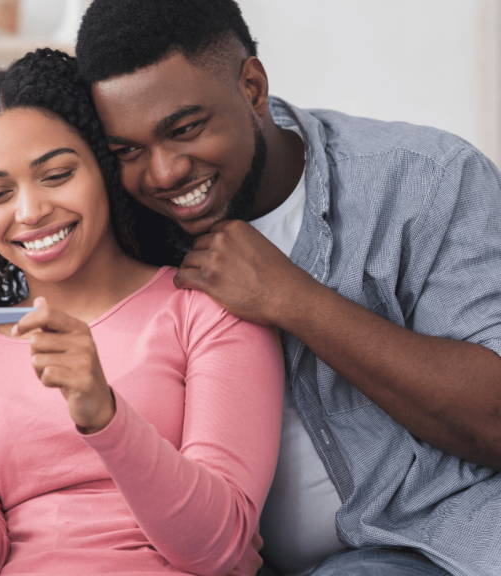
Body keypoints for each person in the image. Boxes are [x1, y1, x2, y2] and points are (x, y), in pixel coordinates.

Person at [72, 1, 501, 576]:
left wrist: (293, 298)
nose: (164, 172)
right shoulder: (125, 225)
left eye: (186, 129)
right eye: (128, 150)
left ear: (252, 86)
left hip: (428, 543)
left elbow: (495, 416)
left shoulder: (427, 179)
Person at [0, 48, 284, 575]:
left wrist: (104, 414)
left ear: (104, 169)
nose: (31, 211)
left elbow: (218, 547)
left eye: (57, 175)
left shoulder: (208, 312)